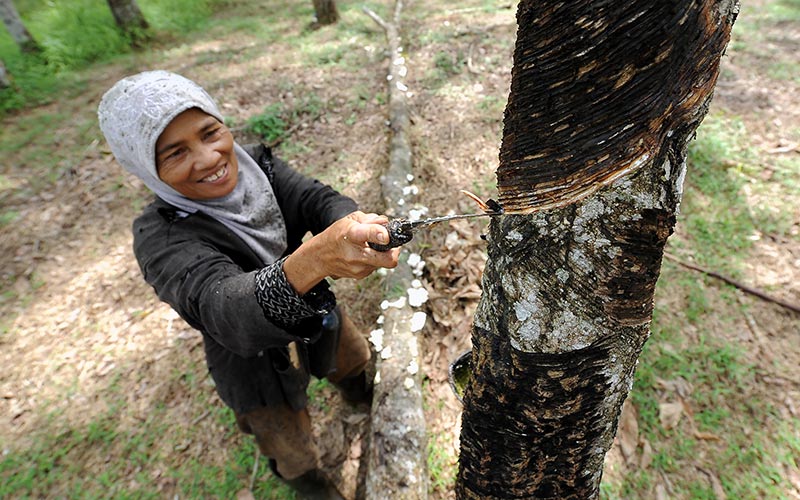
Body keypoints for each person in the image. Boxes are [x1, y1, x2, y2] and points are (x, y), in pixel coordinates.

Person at [97, 70, 400, 499]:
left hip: (313, 307)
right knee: (286, 442)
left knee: (349, 356)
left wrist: (351, 225)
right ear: (146, 166)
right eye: (176, 153)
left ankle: (359, 395)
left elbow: (314, 199)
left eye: (210, 133)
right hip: (247, 353)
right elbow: (224, 309)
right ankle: (314, 487)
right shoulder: (161, 236)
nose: (207, 158)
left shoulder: (259, 166)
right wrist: (314, 259)